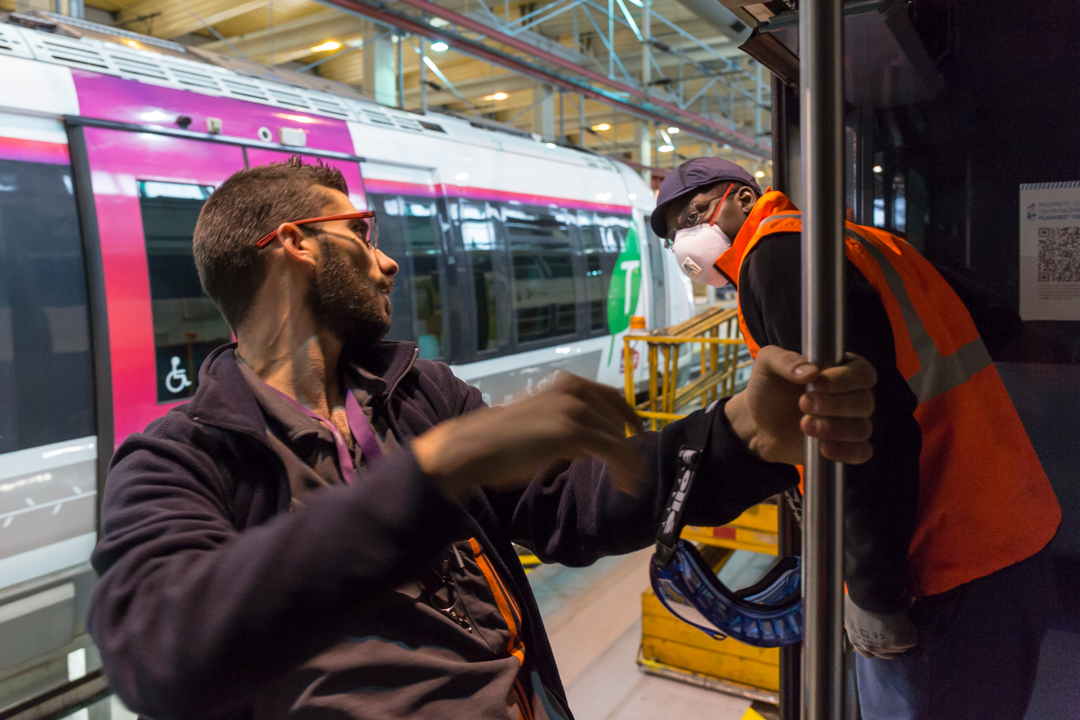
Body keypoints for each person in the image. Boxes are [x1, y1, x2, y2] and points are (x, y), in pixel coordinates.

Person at [87, 157, 877, 720]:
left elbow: (571, 502)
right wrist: (437, 474)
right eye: (361, 231)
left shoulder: (418, 396)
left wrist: (744, 431)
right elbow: (158, 648)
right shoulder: (182, 457)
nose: (388, 259)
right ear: (295, 243)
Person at [653, 157, 1062, 720]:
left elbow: (859, 430)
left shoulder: (773, 256)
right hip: (1015, 529)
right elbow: (994, 318)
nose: (686, 238)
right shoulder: (860, 240)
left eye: (696, 214)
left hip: (939, 562)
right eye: (676, 231)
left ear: (743, 198)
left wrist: (874, 592)